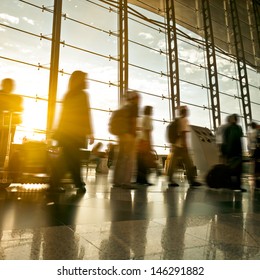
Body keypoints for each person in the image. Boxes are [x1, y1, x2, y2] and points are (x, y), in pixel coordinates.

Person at [49, 70, 94, 193]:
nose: (86, 81)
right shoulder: (82, 95)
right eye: (84, 79)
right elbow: (86, 114)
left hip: (67, 133)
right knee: (71, 160)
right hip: (74, 134)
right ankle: (75, 183)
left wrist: (58, 131)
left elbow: (63, 116)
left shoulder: (69, 94)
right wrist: (90, 132)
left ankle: (63, 183)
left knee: (69, 159)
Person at [167, 105, 201, 188]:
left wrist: (174, 144)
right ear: (185, 112)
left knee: (173, 163)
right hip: (181, 146)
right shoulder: (184, 120)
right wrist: (185, 145)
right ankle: (192, 180)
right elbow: (183, 133)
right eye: (186, 110)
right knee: (188, 163)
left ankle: (170, 179)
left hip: (176, 145)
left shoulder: (178, 120)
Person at [112, 90, 140, 188]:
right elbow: (133, 121)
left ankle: (116, 181)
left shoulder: (124, 107)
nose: (139, 99)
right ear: (134, 98)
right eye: (138, 97)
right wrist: (134, 134)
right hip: (129, 136)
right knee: (129, 160)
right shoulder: (134, 107)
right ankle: (126, 182)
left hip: (121, 136)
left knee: (120, 159)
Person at [0, 78, 23, 167]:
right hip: (4, 125)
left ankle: (3, 162)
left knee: (7, 144)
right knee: (5, 143)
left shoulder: (14, 98)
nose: (11, 88)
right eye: (9, 85)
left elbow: (19, 108)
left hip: (9, 125)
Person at [223, 114, 246, 192]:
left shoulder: (230, 129)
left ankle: (233, 185)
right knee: (236, 169)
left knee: (234, 169)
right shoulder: (235, 128)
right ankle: (236, 186)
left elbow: (226, 140)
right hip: (235, 151)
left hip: (233, 152)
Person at [136, 105, 154, 185]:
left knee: (140, 161)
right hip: (145, 141)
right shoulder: (148, 118)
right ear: (149, 111)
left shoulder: (142, 118)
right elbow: (148, 131)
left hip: (139, 141)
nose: (152, 112)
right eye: (151, 110)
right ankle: (144, 180)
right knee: (144, 161)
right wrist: (150, 143)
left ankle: (139, 179)